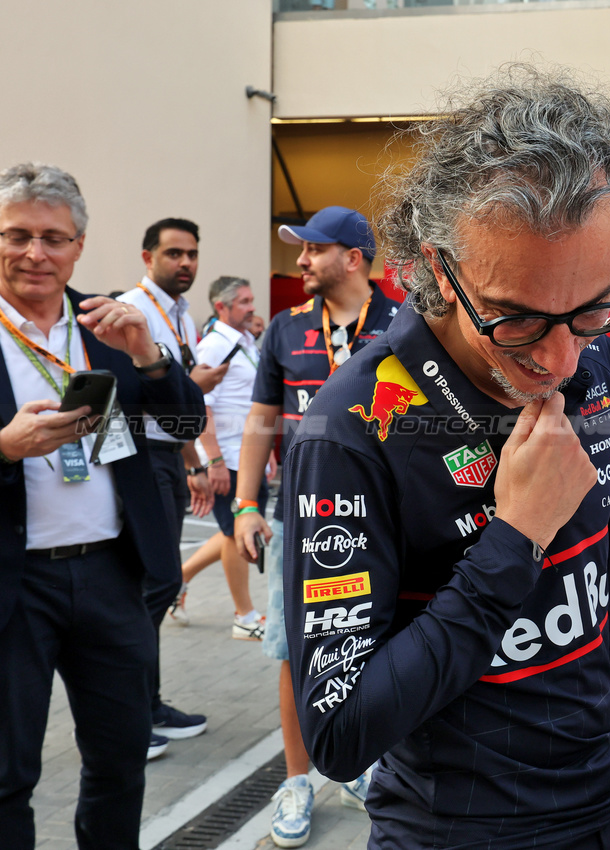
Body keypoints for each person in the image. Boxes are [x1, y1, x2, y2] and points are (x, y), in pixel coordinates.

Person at [281, 66, 610, 850]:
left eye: (592, 308)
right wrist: (515, 538)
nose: (559, 357)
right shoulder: (353, 425)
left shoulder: (590, 372)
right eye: (515, 319)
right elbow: (342, 732)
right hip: (455, 832)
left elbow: (598, 600)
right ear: (436, 270)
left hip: (600, 814)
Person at [0, 162, 206, 849]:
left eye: (53, 237)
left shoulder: (108, 325)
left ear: (78, 246)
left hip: (111, 576)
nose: (35, 253)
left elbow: (181, 428)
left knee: (120, 763)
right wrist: (3, 446)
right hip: (13, 584)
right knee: (8, 775)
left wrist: (149, 356)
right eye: (18, 235)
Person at [232, 206, 395, 847]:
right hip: (301, 519)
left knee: (387, 642)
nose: (300, 261)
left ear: (352, 256)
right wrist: (247, 506)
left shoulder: (405, 323)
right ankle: (297, 780)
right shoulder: (285, 329)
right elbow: (260, 422)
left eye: (312, 249)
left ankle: (371, 767)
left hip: (385, 521)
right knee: (296, 651)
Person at [117, 217, 224, 754]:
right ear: (147, 256)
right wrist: (193, 386)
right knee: (153, 584)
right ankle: (129, 713)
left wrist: (194, 462)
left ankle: (148, 702)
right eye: (174, 254)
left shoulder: (180, 313)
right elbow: (143, 396)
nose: (185, 263)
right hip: (138, 454)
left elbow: (177, 408)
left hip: (169, 454)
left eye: (192, 254)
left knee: (157, 582)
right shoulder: (129, 310)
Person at [170, 276, 267, 637]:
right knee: (235, 532)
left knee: (232, 532)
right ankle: (244, 615)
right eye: (243, 301)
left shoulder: (245, 342)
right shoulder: (213, 346)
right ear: (222, 307)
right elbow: (202, 407)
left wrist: (265, 456)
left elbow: (250, 404)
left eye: (251, 299)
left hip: (246, 455)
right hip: (226, 456)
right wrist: (213, 461)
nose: (251, 307)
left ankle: (179, 580)